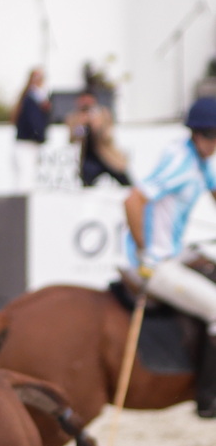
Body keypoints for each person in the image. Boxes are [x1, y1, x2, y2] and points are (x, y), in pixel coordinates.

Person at [124, 97, 216, 416]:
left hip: (174, 253)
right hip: (153, 262)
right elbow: (133, 201)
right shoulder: (180, 162)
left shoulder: (200, 159)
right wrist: (144, 251)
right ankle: (208, 397)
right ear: (201, 135)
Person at [70, 91, 130, 188]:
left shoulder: (103, 114)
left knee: (125, 182)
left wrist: (95, 124)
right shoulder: (74, 117)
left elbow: (107, 136)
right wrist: (81, 125)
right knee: (86, 184)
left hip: (106, 156)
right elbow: (72, 138)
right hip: (88, 158)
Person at [14, 68, 50, 146]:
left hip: (31, 141)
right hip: (28, 142)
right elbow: (34, 120)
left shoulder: (40, 97)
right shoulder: (31, 98)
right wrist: (40, 136)